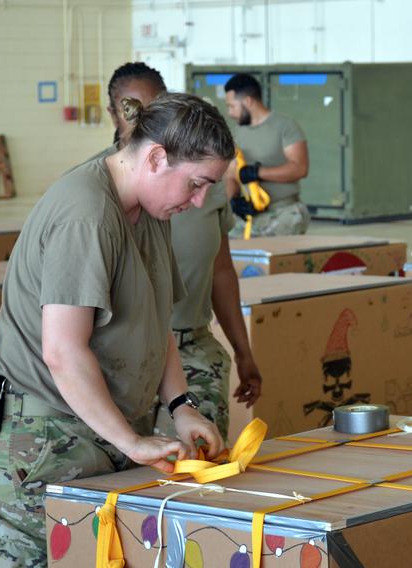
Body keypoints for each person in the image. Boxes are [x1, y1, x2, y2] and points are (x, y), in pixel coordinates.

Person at [0, 92, 233, 566]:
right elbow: (62, 351)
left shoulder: (150, 210)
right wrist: (132, 442)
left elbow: (154, 323)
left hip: (98, 433)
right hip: (36, 443)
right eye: (196, 184)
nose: (201, 201)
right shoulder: (86, 214)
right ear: (157, 158)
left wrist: (181, 406)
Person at [102, 62, 263, 440]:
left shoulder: (204, 183)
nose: (142, 120)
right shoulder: (99, 190)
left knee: (197, 470)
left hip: (192, 350)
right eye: (130, 108)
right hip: (124, 357)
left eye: (154, 108)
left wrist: (243, 350)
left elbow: (220, 270)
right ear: (112, 113)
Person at [223, 72, 310, 236]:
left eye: (232, 106)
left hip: (284, 213)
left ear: (248, 101)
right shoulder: (237, 132)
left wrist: (257, 173)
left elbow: (300, 168)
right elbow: (231, 172)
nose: (230, 113)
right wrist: (234, 201)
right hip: (249, 215)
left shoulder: (285, 126)